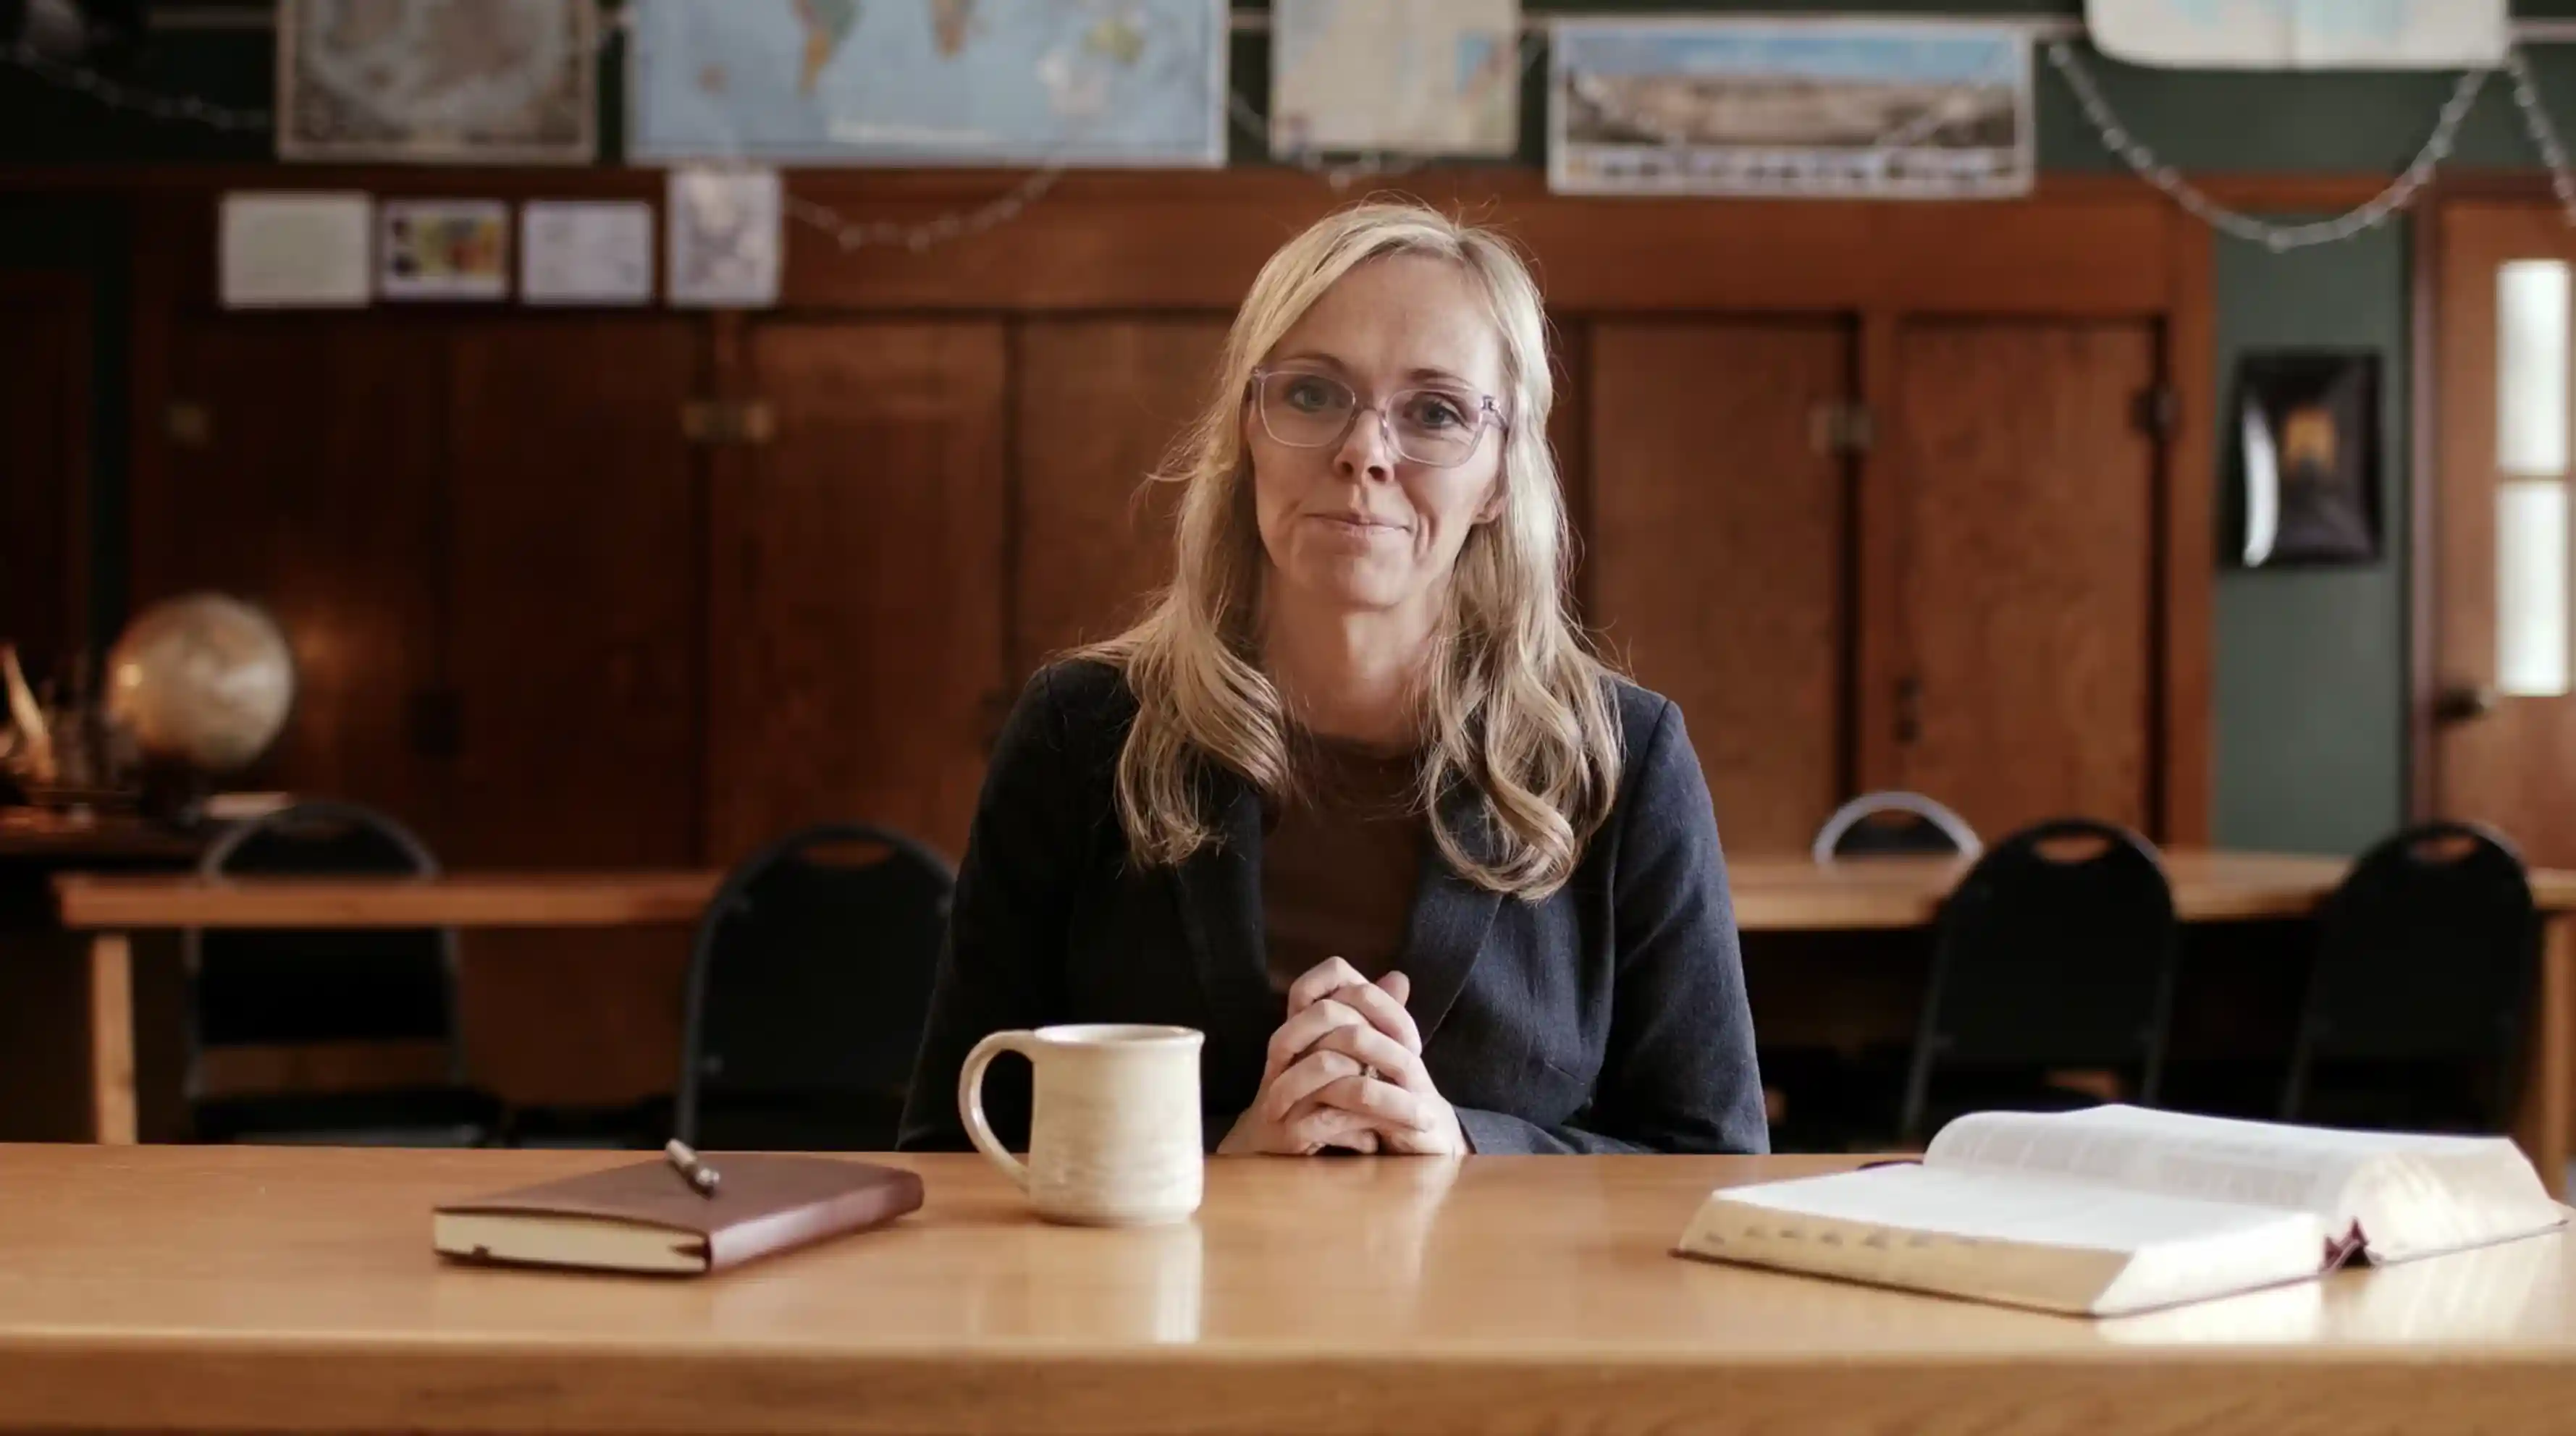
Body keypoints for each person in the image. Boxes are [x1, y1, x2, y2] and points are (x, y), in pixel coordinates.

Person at [898, 200, 1764, 1157]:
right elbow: (953, 1145)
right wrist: (1221, 1164)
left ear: (1498, 477)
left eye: (1435, 412)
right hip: (1166, 1309)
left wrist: (1467, 1149)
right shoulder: (1079, 732)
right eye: (1312, 395)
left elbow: (1711, 1161)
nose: (1364, 453)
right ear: (1247, 432)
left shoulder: (1622, 758)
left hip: (1499, 1309)